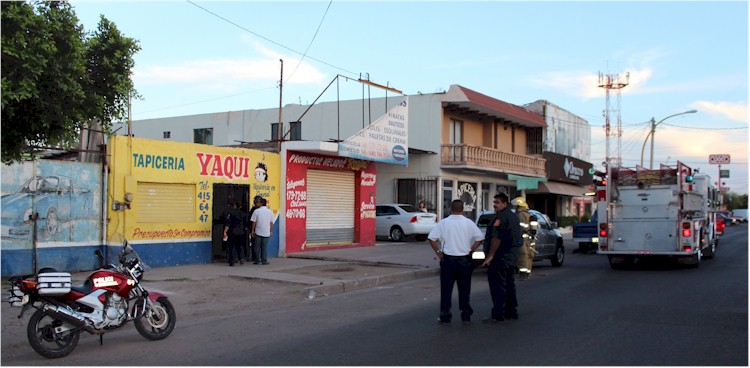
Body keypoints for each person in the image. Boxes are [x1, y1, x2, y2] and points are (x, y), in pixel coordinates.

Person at [427, 199, 484, 325]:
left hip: (448, 260)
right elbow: (480, 238)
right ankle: (466, 315)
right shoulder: (468, 223)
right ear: (463, 209)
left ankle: (445, 315)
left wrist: (438, 252)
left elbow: (431, 238)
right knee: (464, 289)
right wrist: (471, 250)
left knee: (446, 289)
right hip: (464, 259)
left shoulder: (444, 223)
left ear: (450, 209)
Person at [482, 192, 522, 323]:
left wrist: (490, 255)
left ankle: (499, 314)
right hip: (512, 256)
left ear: (505, 204)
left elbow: (496, 238)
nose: (495, 205)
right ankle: (511, 311)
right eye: (494, 203)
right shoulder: (514, 216)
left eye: (497, 202)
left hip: (501, 256)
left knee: (498, 286)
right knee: (509, 283)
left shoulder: (501, 217)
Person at [511, 196, 534, 280]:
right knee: (528, 255)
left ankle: (523, 273)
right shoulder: (527, 213)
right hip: (528, 237)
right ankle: (527, 272)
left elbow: (519, 227)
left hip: (522, 237)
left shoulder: (520, 214)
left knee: (522, 255)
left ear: (519, 206)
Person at [251, 197, 274, 265]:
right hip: (266, 232)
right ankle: (264, 260)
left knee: (257, 247)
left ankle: (257, 260)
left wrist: (252, 230)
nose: (257, 203)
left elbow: (254, 222)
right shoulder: (270, 212)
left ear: (261, 203)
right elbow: (271, 223)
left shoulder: (256, 211)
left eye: (258, 202)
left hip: (258, 231)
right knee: (264, 247)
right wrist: (271, 231)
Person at [223, 201, 247, 266]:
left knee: (232, 246)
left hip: (233, 231)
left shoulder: (231, 213)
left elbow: (228, 224)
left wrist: (225, 232)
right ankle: (241, 258)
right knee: (240, 245)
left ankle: (232, 260)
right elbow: (246, 223)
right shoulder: (243, 213)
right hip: (241, 232)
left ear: (235, 206)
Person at [247, 196, 263, 263]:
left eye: (256, 201)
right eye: (255, 201)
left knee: (259, 245)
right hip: (255, 229)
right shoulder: (254, 209)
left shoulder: (258, 210)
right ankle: (255, 257)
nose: (255, 203)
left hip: (258, 229)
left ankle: (258, 258)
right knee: (254, 244)